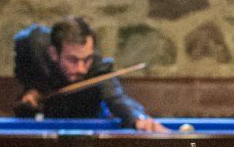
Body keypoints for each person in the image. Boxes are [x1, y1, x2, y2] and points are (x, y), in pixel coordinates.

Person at [13, 17, 162, 131]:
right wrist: (33, 89)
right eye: (72, 59)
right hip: (45, 124)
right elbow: (24, 61)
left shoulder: (98, 68)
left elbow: (117, 98)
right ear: (53, 53)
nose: (81, 69)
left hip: (88, 122)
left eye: (86, 59)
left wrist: (138, 118)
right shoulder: (32, 47)